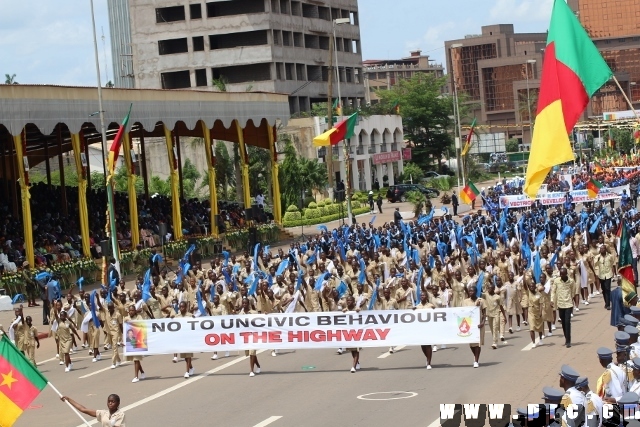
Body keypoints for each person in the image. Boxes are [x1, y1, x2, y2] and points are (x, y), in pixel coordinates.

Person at [60, 394, 125, 427]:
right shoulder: (103, 413)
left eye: (113, 402)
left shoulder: (120, 414)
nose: (110, 403)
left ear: (118, 403)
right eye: (109, 401)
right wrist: (69, 400)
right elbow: (83, 409)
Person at [462, 284, 486, 368]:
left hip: (479, 325)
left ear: (476, 292)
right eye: (469, 291)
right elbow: (464, 312)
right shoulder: (465, 301)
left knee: (477, 343)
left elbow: (484, 312)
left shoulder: (481, 300)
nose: (470, 292)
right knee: (472, 344)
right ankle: (475, 355)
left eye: (472, 291)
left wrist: (483, 322)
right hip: (470, 325)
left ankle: (476, 360)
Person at [551, 267, 574, 348]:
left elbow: (573, 291)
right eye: (560, 274)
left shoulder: (571, 281)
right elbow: (553, 291)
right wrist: (552, 300)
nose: (561, 276)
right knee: (563, 323)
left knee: (567, 322)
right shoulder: (557, 281)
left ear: (566, 274)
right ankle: (566, 338)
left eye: (563, 274)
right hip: (560, 304)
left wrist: (571, 300)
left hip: (568, 304)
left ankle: (568, 341)